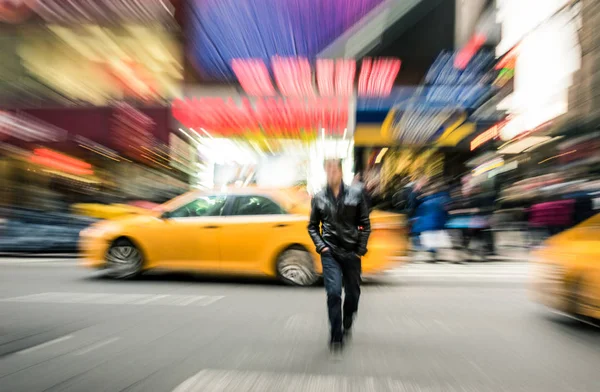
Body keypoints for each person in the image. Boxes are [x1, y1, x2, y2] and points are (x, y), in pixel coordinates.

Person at [308, 159, 371, 354]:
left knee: (353, 293)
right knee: (334, 293)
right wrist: (322, 247)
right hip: (330, 252)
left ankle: (348, 318)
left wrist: (360, 248)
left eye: (334, 170)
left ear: (341, 172)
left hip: (351, 252)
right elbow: (312, 226)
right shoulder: (318, 198)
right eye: (328, 170)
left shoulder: (356, 193)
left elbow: (365, 223)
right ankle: (336, 335)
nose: (331, 173)